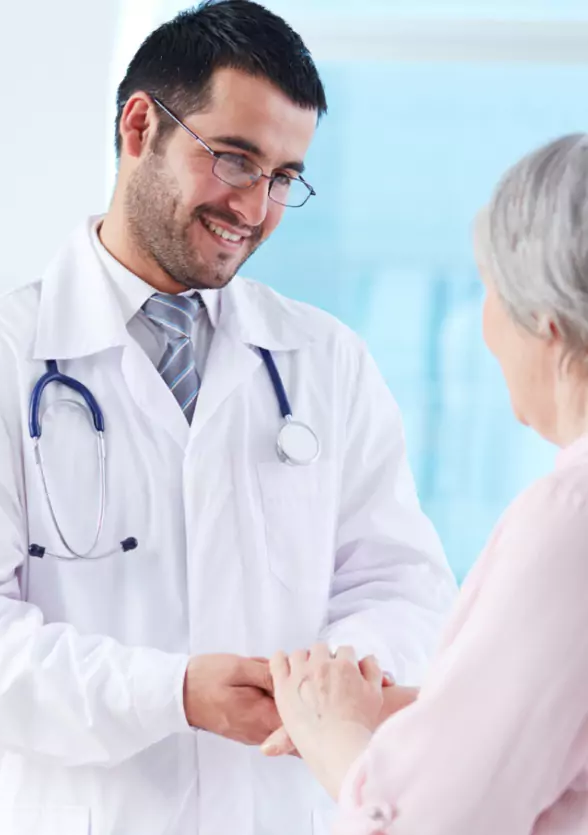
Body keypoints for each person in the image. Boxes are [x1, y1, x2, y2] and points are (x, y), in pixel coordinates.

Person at [0, 2, 456, 834]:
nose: (257, 208)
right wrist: (171, 693)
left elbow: (405, 586)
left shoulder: (325, 361)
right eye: (235, 159)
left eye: (285, 177)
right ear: (138, 127)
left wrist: (331, 677)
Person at [266, 133, 588, 835]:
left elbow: (418, 825)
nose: (483, 325)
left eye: (488, 289)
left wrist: (331, 731)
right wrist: (433, 712)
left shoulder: (568, 523)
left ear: (546, 322)